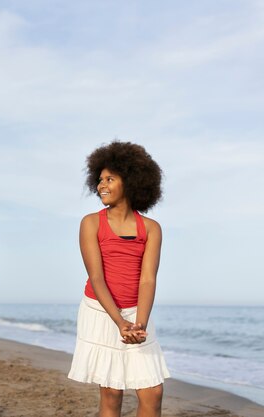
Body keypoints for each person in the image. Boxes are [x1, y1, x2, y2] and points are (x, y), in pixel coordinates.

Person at [68, 141, 170, 417]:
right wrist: (119, 321)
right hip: (101, 311)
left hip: (137, 314)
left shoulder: (151, 228)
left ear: (132, 181)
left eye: (110, 179)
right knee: (112, 392)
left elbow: (148, 279)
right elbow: (96, 277)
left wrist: (139, 324)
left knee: (153, 391)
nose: (102, 185)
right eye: (99, 180)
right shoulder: (91, 223)